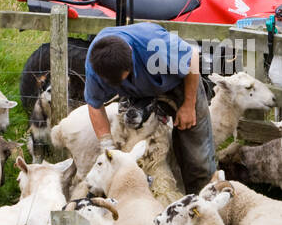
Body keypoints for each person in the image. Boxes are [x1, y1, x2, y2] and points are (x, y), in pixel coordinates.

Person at [83, 21, 216, 194]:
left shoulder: (155, 44)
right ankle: (137, 194)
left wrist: (188, 105)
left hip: (177, 82)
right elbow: (94, 104)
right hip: (132, 91)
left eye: (126, 76)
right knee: (131, 147)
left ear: (131, 56)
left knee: (196, 151)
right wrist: (107, 145)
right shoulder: (96, 64)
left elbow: (192, 59)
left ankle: (202, 198)